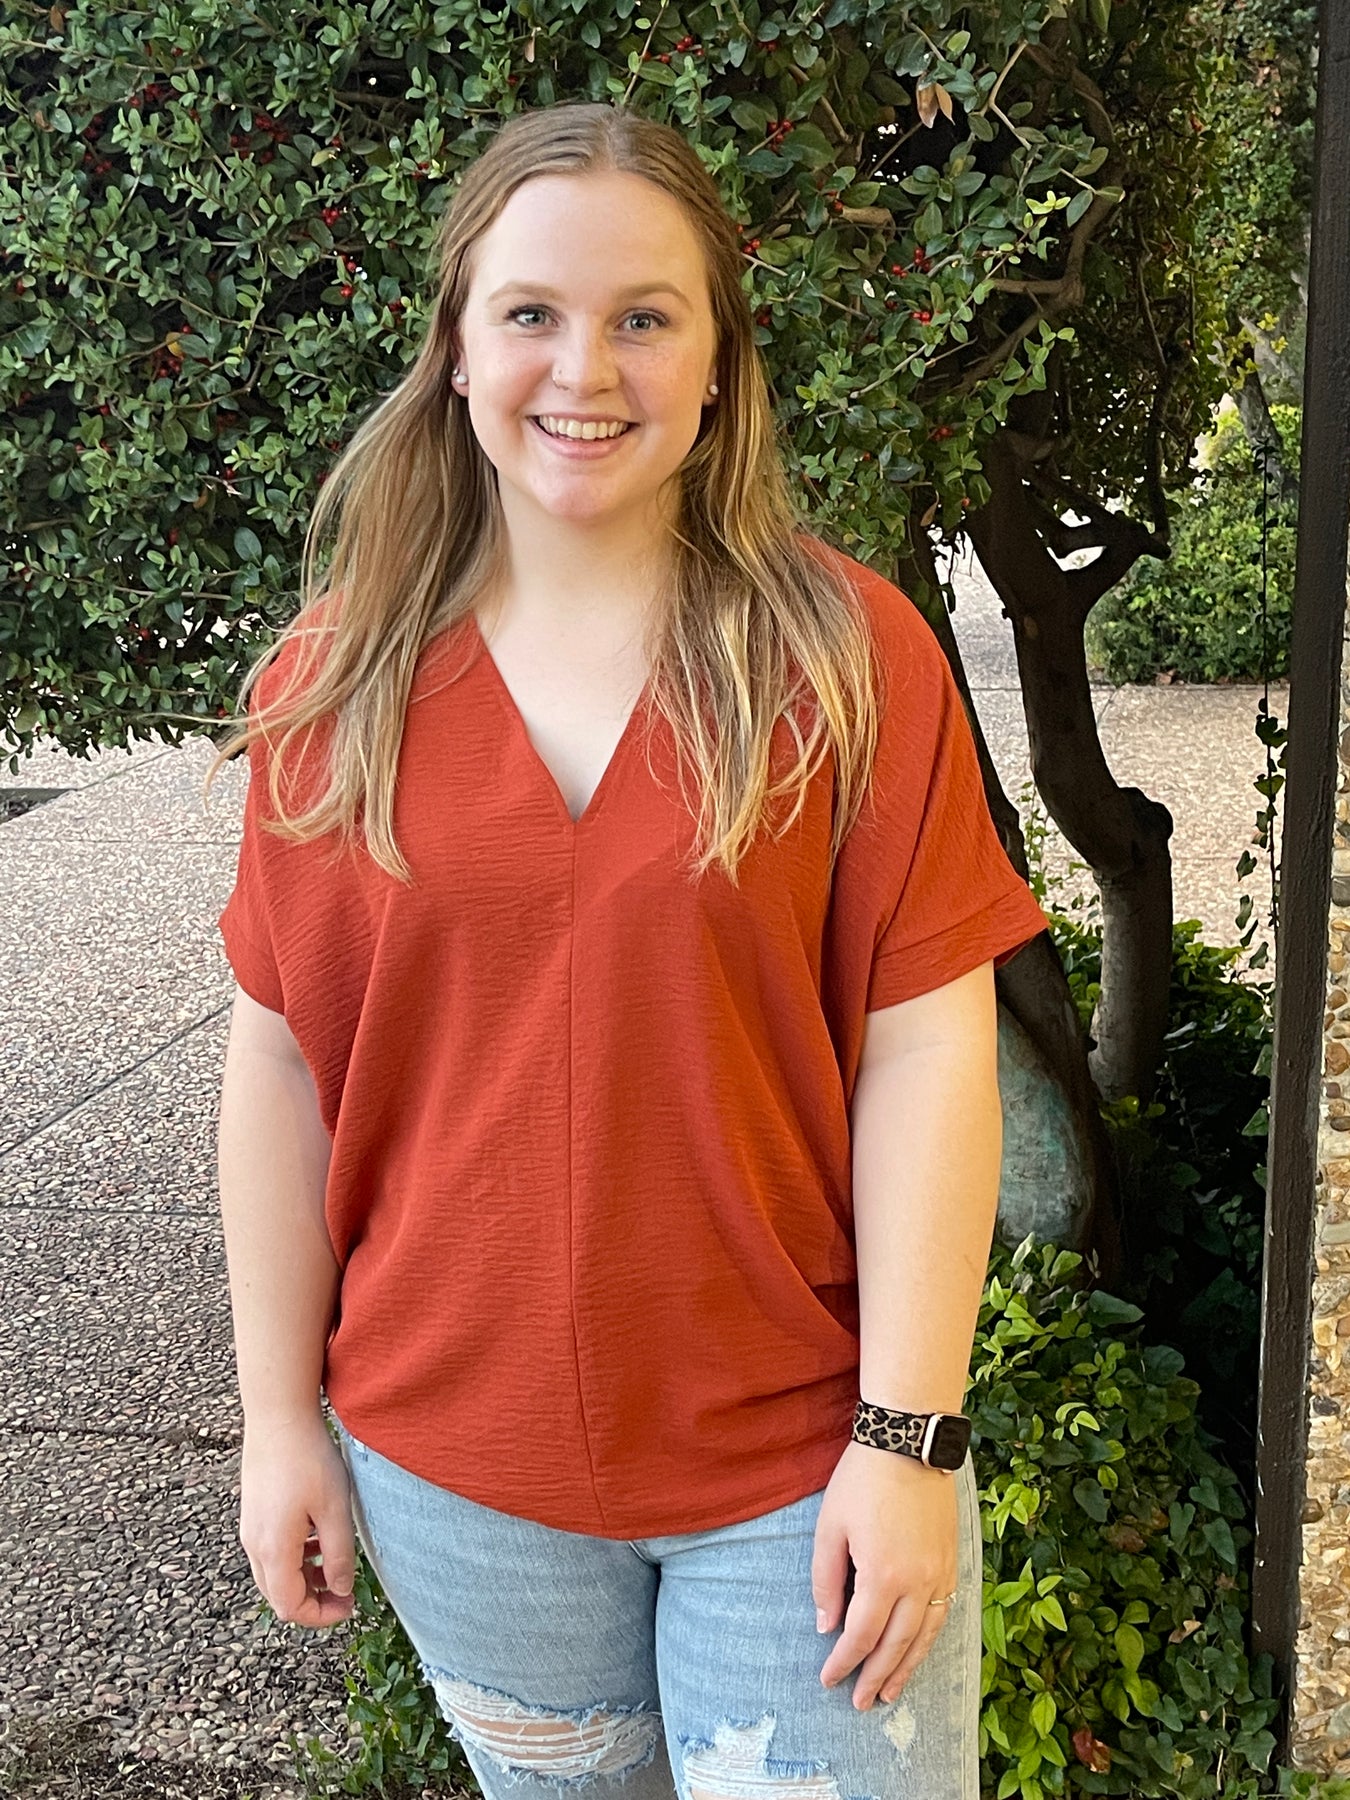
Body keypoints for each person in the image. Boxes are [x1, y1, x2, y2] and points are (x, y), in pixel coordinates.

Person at [209, 100, 1050, 1800]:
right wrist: (278, 1417)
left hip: (798, 1472)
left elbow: (927, 1049)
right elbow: (283, 1060)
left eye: (644, 317)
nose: (582, 369)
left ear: (718, 362)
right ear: (457, 347)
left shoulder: (844, 657)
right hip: (462, 1483)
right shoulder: (332, 685)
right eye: (530, 311)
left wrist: (907, 1436)